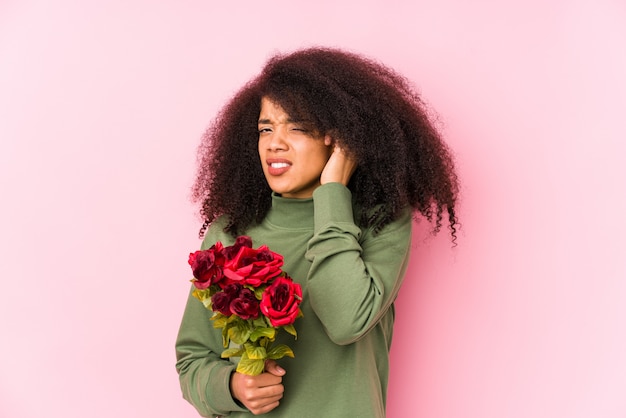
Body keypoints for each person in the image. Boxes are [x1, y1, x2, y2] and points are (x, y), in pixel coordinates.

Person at [175, 47, 459, 417]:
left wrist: (332, 194)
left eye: (297, 127)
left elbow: (345, 321)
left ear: (341, 139)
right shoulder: (229, 233)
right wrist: (231, 386)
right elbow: (193, 358)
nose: (275, 142)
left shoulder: (380, 222)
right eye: (266, 128)